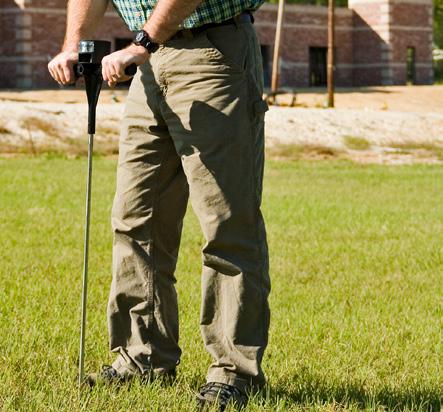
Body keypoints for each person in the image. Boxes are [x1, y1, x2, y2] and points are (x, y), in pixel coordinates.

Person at [48, 0, 271, 409]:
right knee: (135, 219)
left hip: (212, 52)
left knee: (226, 222)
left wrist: (142, 43)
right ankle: (143, 356)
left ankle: (234, 371)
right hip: (148, 63)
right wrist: (73, 45)